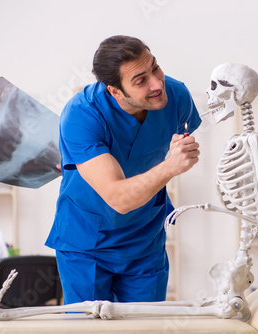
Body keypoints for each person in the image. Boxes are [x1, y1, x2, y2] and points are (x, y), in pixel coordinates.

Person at [45, 35, 202, 304]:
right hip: (87, 240)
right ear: (115, 91)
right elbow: (118, 198)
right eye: (140, 81)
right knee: (89, 328)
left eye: (155, 67)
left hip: (145, 238)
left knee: (144, 326)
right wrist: (169, 168)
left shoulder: (176, 96)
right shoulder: (82, 114)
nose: (157, 83)